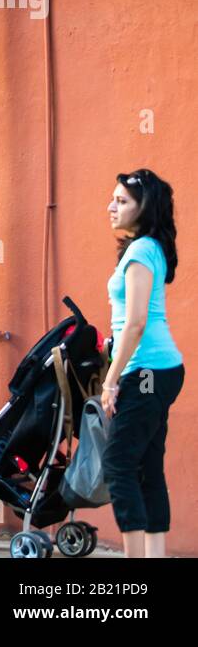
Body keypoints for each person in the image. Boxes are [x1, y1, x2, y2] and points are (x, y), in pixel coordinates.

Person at [101, 169, 185, 558]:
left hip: (148, 371)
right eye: (113, 199)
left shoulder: (141, 251)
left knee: (119, 463)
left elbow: (134, 324)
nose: (111, 207)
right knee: (148, 464)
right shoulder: (149, 247)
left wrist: (110, 380)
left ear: (143, 207)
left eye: (121, 201)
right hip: (158, 370)